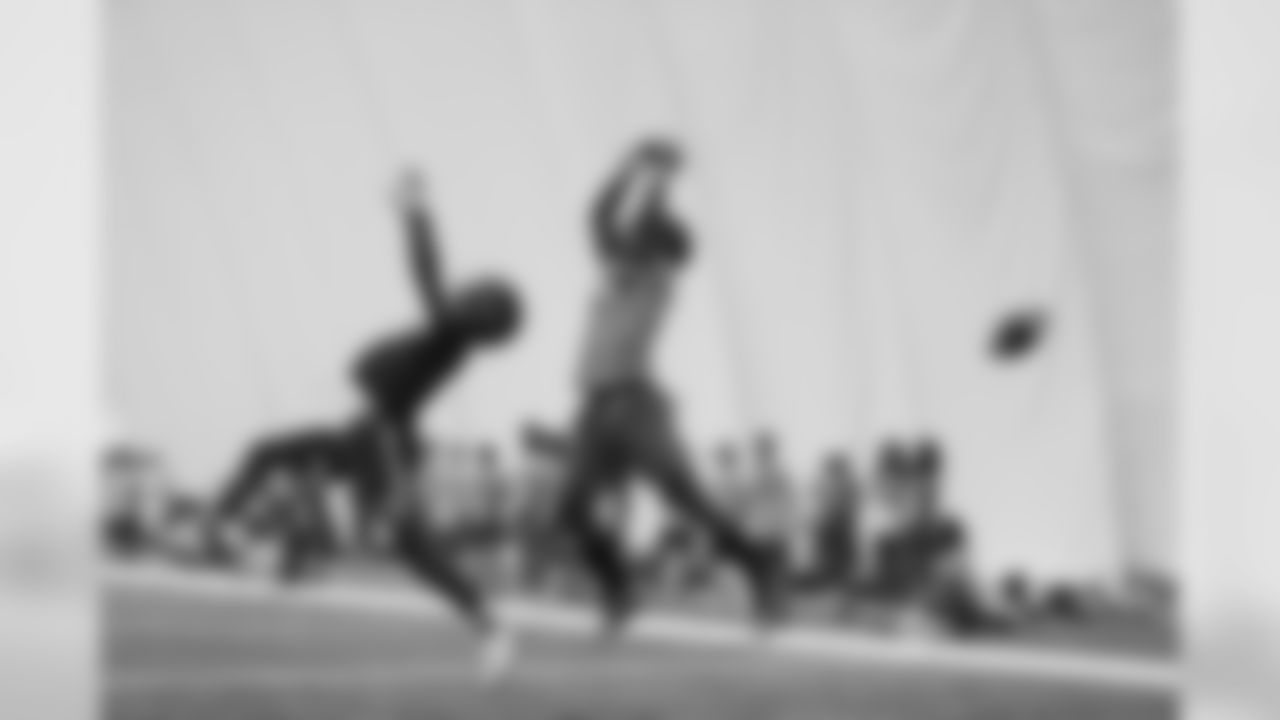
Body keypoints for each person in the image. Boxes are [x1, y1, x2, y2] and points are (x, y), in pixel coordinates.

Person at [214, 168, 524, 675]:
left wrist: (416, 212)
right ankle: (276, 548)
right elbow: (433, 289)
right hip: (365, 430)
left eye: (478, 293)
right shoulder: (448, 336)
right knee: (272, 457)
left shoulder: (450, 334)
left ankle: (283, 550)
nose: (467, 290)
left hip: (377, 436)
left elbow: (427, 276)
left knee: (403, 541)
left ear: (480, 313)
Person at [556, 139, 784, 639]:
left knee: (686, 499)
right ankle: (619, 591)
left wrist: (656, 177)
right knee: (569, 510)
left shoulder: (655, 276)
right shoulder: (623, 272)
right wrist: (629, 167)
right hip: (596, 405)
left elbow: (622, 220)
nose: (623, 242)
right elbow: (600, 217)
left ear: (656, 249)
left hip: (635, 404)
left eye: (638, 239)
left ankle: (759, 566)